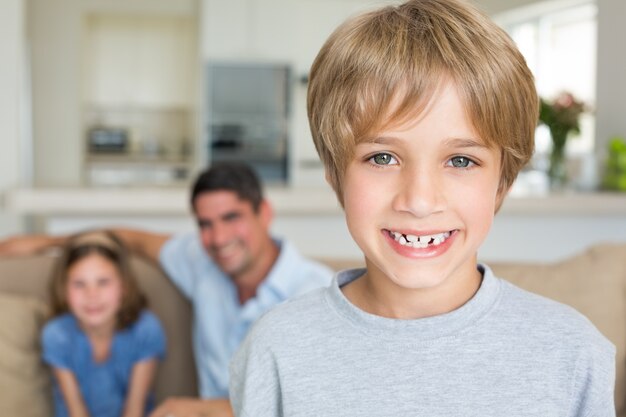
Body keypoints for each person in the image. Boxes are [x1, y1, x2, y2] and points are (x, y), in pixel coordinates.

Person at [229, 0, 616, 415]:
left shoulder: (574, 355)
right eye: (382, 157)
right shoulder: (276, 349)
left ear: (502, 183)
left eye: (461, 161)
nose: (418, 200)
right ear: (335, 173)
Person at [0, 162, 333, 417]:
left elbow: (308, 402)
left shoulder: (316, 293)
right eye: (205, 224)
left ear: (265, 213)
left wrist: (200, 409)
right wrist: (47, 242)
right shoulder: (201, 261)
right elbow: (132, 240)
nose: (218, 238)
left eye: (232, 217)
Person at [42, 230, 166, 417]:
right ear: (64, 290)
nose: (92, 295)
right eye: (79, 284)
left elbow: (134, 410)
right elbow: (76, 411)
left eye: (103, 282)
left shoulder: (146, 329)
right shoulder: (56, 335)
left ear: (123, 286)